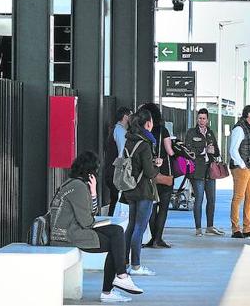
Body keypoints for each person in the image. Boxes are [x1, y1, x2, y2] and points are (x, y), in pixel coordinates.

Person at [50, 151, 143, 303]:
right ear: (90, 171)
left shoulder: (73, 183)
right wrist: (92, 204)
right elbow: (87, 221)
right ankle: (116, 281)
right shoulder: (78, 187)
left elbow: (90, 214)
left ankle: (118, 279)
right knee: (116, 241)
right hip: (67, 236)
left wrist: (93, 193)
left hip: (71, 230)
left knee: (117, 232)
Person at [121, 108, 172, 275]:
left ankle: (125, 262)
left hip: (130, 188)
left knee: (131, 225)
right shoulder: (144, 144)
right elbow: (149, 172)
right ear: (148, 124)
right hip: (144, 190)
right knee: (139, 227)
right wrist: (157, 165)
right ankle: (135, 265)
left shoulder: (129, 139)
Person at [185, 108, 225, 237]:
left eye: (204, 118)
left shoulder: (210, 133)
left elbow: (217, 151)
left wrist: (214, 151)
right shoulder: (191, 133)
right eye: (199, 118)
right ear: (197, 119)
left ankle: (210, 226)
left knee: (212, 199)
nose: (201, 121)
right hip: (197, 171)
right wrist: (203, 150)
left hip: (210, 171)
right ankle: (198, 228)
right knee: (199, 199)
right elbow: (188, 150)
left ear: (207, 120)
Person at [141, 103, 175, 248]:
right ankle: (158, 239)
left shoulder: (142, 131)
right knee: (163, 207)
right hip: (165, 173)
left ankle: (151, 238)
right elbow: (170, 151)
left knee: (152, 207)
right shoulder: (163, 130)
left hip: (149, 172)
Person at [229, 105, 250, 239]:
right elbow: (233, 150)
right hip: (241, 168)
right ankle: (235, 229)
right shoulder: (239, 128)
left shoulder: (249, 128)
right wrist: (242, 165)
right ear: (249, 114)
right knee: (238, 198)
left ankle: (247, 228)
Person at [103, 106, 132, 217]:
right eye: (130, 115)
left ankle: (112, 220)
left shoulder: (116, 129)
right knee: (116, 199)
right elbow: (122, 153)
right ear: (125, 117)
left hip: (112, 170)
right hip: (116, 171)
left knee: (114, 198)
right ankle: (112, 222)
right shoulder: (120, 131)